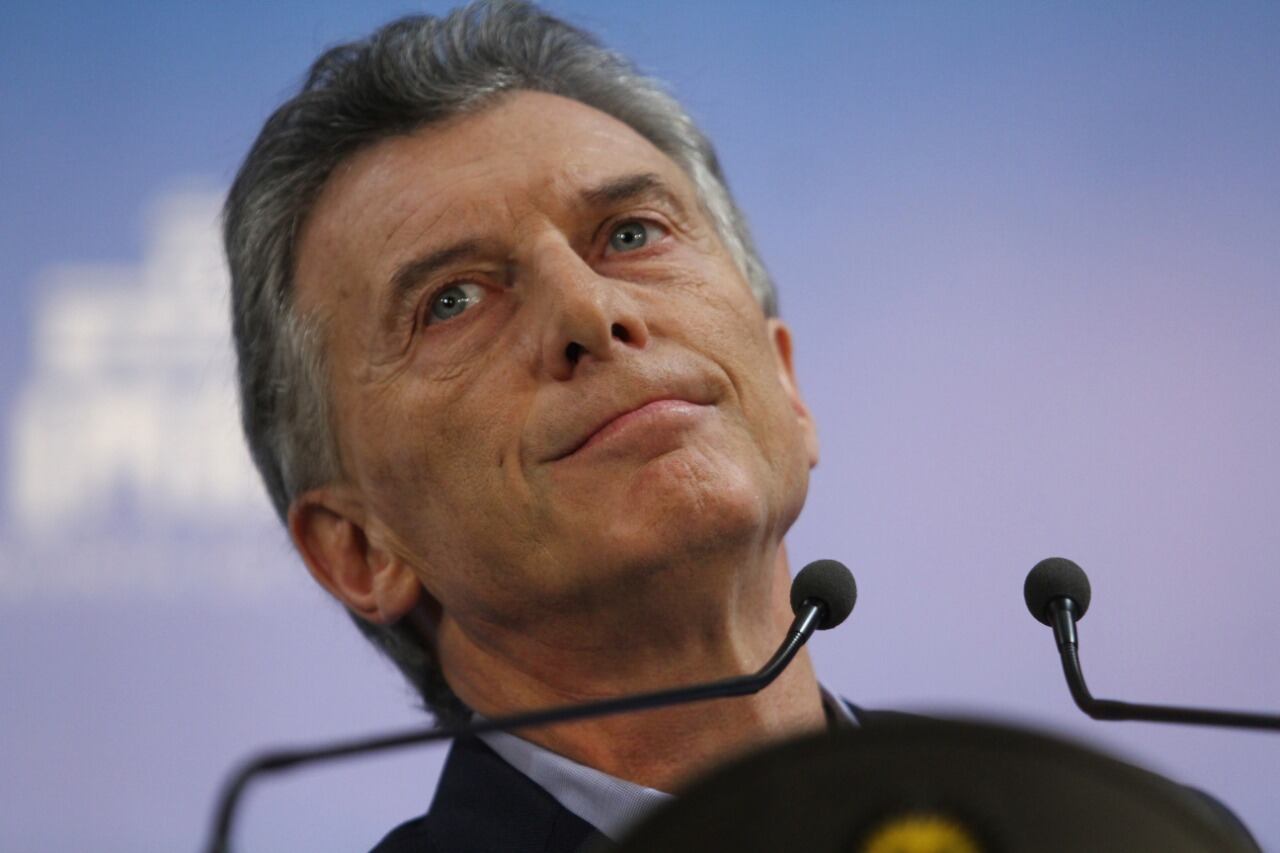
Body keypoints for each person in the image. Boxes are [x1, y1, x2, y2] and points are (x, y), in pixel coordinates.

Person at [225, 1, 837, 849]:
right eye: (452, 301)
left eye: (632, 233)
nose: (590, 311)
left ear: (786, 382)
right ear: (361, 548)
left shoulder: (1020, 803)